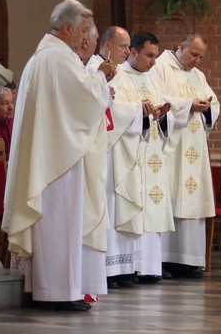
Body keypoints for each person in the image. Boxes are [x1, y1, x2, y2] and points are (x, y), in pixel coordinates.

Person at [2, 0, 116, 312]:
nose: (85, 38)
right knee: (59, 224)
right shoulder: (58, 59)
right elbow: (88, 98)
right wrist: (98, 74)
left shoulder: (46, 56)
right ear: (66, 28)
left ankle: (45, 287)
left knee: (54, 225)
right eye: (82, 31)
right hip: (58, 165)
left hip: (51, 158)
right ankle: (58, 292)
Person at [110, 31, 179, 282]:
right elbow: (117, 111)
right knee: (133, 208)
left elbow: (164, 116)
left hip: (151, 153)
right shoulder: (119, 76)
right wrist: (140, 113)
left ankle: (149, 267)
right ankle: (129, 267)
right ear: (133, 52)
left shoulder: (153, 79)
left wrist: (161, 115)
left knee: (152, 207)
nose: (153, 62)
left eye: (156, 56)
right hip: (130, 153)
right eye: (149, 55)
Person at [152, 33, 220, 278]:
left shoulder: (198, 76)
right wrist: (189, 104)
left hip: (193, 146)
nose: (197, 61)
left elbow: (214, 103)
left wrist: (206, 106)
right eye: (194, 54)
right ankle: (164, 260)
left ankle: (189, 261)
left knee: (191, 203)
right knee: (169, 197)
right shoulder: (160, 67)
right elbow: (159, 100)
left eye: (200, 57)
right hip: (172, 147)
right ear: (181, 47)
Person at [86, 26, 142, 289]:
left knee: (118, 206)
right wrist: (134, 111)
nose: (128, 51)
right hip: (107, 150)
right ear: (107, 45)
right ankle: (108, 268)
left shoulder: (123, 74)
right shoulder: (95, 69)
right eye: (123, 46)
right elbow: (102, 106)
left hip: (123, 149)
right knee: (106, 205)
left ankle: (122, 267)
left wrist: (141, 110)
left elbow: (126, 104)